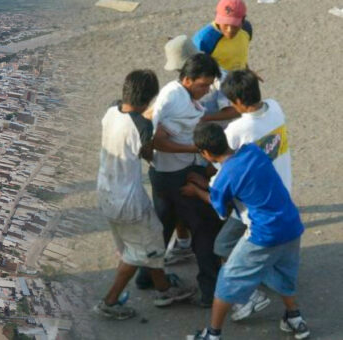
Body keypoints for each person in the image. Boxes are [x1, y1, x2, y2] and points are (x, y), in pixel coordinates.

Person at [183, 124, 309, 340]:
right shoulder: (252, 150)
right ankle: (295, 318)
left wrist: (196, 190)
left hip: (263, 234)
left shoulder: (223, 179)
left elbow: (220, 208)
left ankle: (213, 335)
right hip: (291, 225)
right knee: (283, 273)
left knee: (227, 279)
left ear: (205, 153)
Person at [94, 70, 194, 320]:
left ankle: (163, 288)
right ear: (149, 99)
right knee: (139, 251)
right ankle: (110, 301)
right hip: (128, 201)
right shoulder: (142, 126)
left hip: (106, 192)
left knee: (147, 245)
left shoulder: (111, 111)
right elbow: (148, 152)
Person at [136, 54, 223, 308]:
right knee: (204, 229)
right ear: (187, 79)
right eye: (203, 85)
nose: (206, 90)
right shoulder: (175, 98)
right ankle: (210, 291)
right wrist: (195, 150)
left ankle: (146, 276)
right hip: (176, 176)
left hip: (164, 174)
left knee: (164, 225)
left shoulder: (181, 96)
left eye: (209, 85)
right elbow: (157, 138)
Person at [214, 69, 291, 321]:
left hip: (255, 205)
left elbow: (224, 167)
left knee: (224, 244)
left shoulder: (236, 130)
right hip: (283, 193)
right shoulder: (276, 108)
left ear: (236, 102)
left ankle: (246, 297)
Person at [192, 0, 255, 73]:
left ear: (243, 20)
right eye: (225, 24)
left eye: (234, 25)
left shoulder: (246, 30)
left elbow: (240, 55)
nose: (229, 30)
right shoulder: (203, 40)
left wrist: (247, 70)